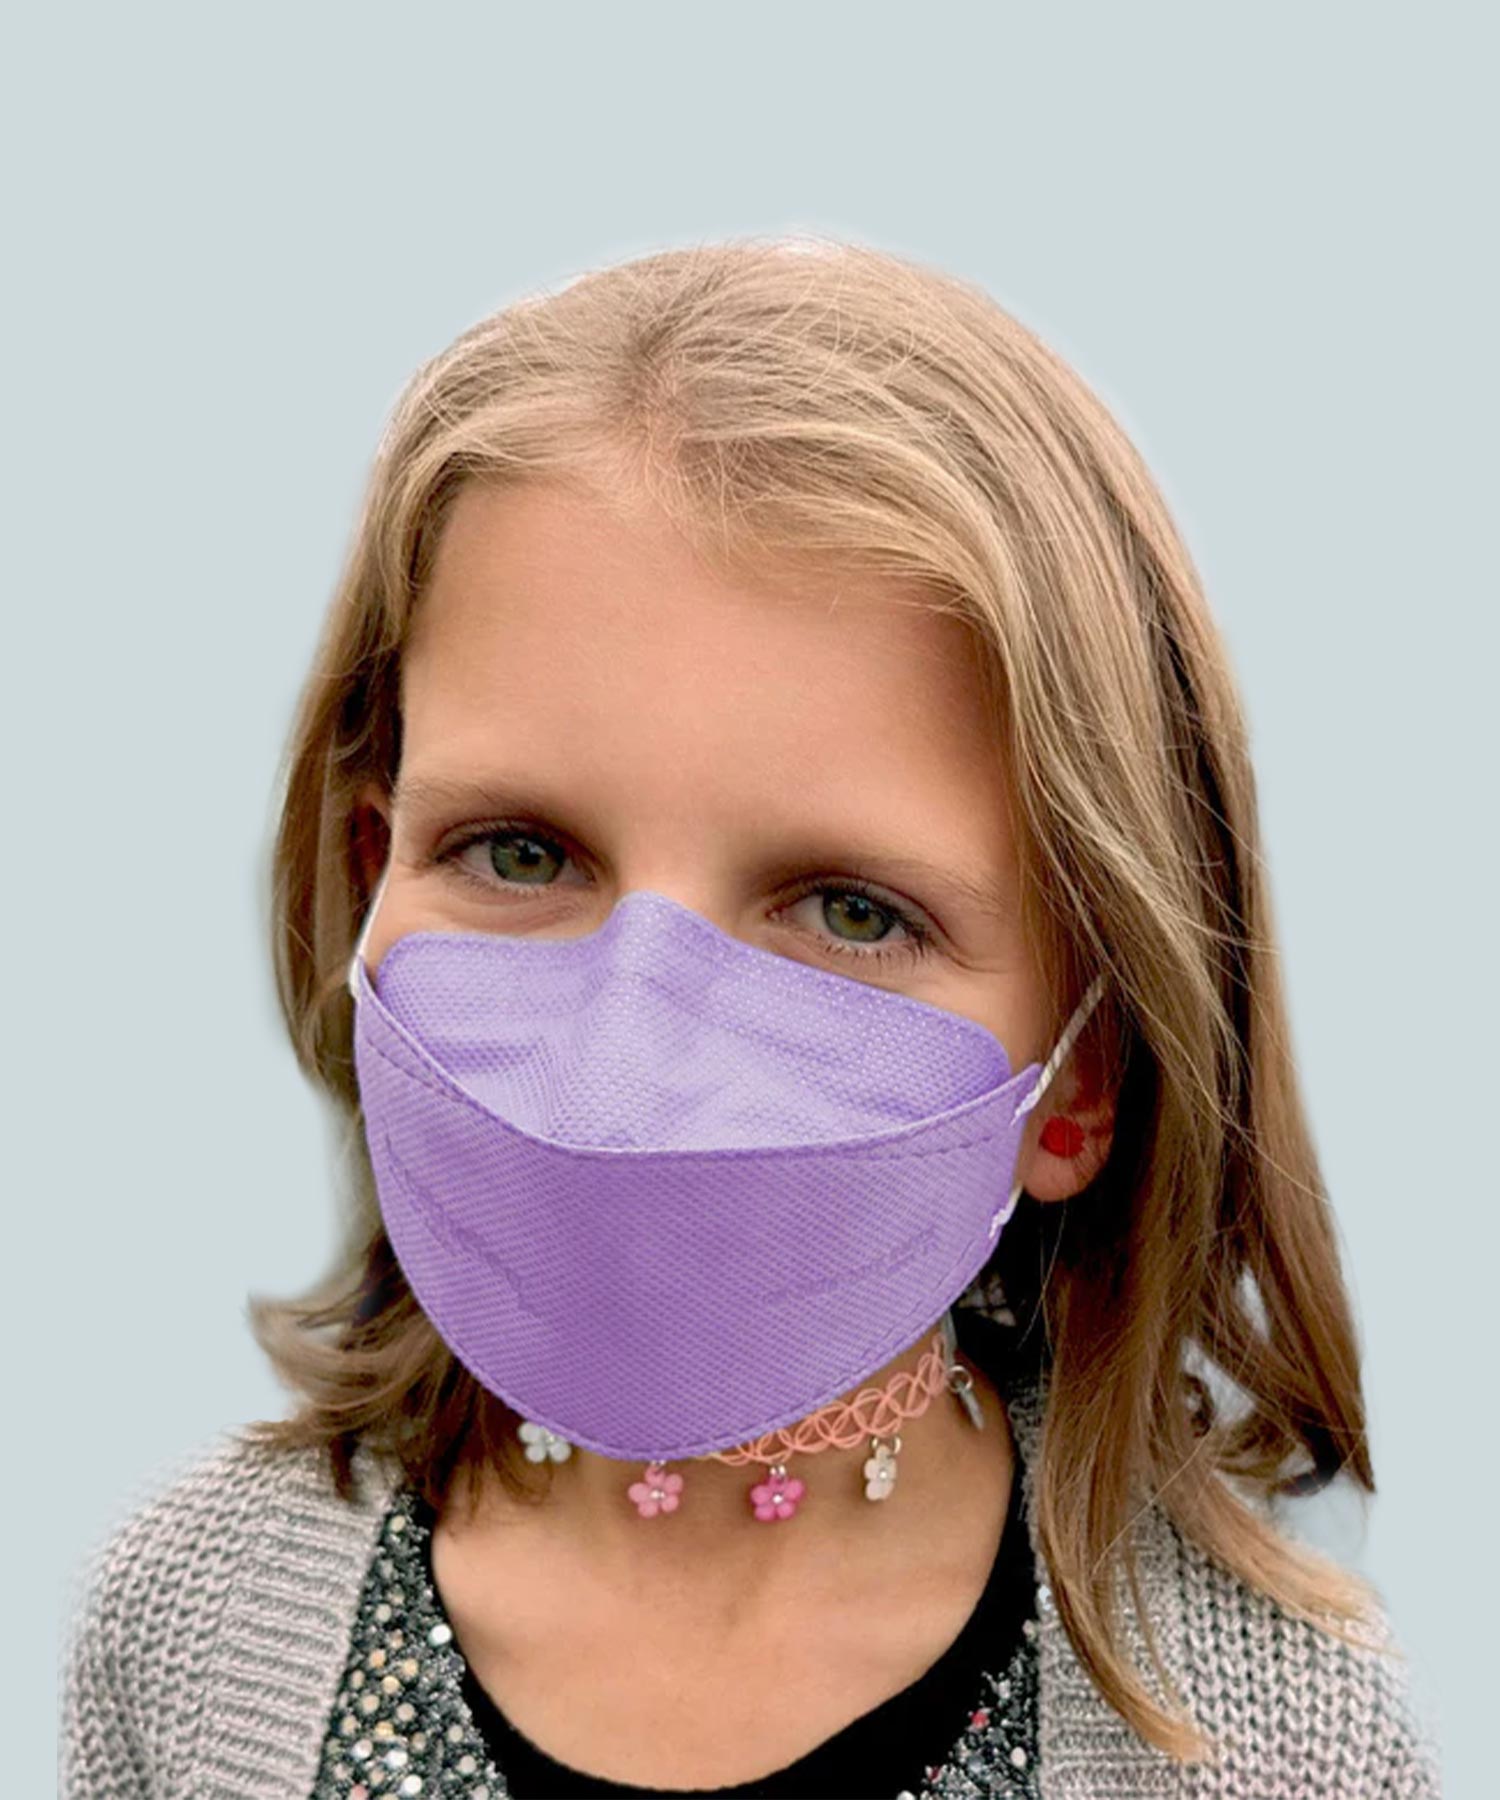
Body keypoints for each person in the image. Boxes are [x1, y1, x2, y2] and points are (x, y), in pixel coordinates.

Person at [59, 235, 1441, 1799]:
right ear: (375, 875)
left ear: (1084, 1073)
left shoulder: (1286, 1743)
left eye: (850, 911)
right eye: (520, 854)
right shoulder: (187, 1628)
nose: (626, 1068)